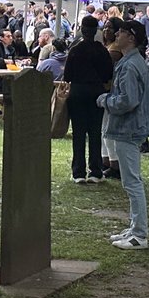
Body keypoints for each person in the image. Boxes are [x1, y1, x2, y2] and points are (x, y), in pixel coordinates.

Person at [99, 20, 149, 249]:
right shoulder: (132, 62)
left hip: (127, 128)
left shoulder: (130, 66)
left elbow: (128, 100)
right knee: (132, 181)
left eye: (120, 32)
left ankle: (139, 234)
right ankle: (134, 227)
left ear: (131, 38)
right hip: (130, 127)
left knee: (132, 182)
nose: (115, 35)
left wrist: (105, 101)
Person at [64, 15, 113, 183]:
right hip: (96, 92)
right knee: (95, 131)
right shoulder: (102, 50)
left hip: (78, 91)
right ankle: (95, 170)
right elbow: (108, 74)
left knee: (78, 132)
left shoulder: (75, 50)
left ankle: (78, 172)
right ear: (96, 31)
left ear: (82, 30)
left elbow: (67, 75)